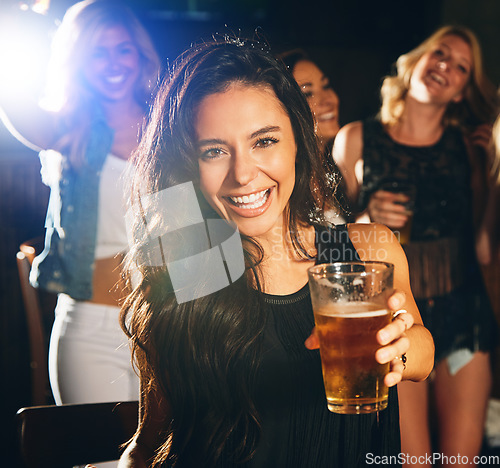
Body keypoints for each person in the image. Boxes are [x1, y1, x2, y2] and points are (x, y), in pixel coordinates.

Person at [116, 37, 434, 468]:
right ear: (190, 164)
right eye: (214, 151)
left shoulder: (361, 249)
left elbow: (421, 351)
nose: (243, 174)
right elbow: (153, 437)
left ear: (298, 142)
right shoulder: (192, 269)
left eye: (263, 141)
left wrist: (396, 348)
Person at [333, 25, 499, 466]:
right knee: (411, 460)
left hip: (465, 316)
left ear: (463, 90)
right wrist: (368, 219)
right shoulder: (354, 139)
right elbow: (331, 241)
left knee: (462, 461)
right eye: (440, 53)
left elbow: (483, 243)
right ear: (416, 61)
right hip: (396, 316)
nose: (446, 66)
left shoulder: (468, 148)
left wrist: (494, 168)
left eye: (461, 67)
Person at [0, 0, 160, 407]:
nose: (113, 62)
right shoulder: (68, 129)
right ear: (77, 60)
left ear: (140, 56)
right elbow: (13, 99)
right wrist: (18, 17)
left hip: (168, 327)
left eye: (122, 49)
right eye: (97, 51)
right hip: (91, 329)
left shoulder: (169, 126)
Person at [278, 48, 350, 223]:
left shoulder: (339, 170)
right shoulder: (283, 185)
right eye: (308, 93)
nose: (329, 99)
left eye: (326, 86)